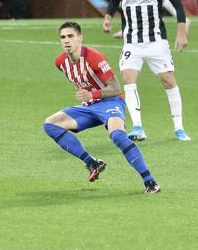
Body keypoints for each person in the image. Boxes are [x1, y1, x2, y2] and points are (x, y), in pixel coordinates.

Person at [43, 21, 161, 194]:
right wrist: (89, 98)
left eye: (70, 36)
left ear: (80, 38)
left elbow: (116, 89)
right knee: (50, 124)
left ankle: (150, 182)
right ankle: (92, 162)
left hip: (110, 102)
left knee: (118, 135)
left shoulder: (94, 57)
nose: (66, 40)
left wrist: (93, 95)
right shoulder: (60, 62)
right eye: (63, 37)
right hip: (89, 107)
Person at [103, 0, 191, 142]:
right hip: (132, 42)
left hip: (156, 41)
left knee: (168, 81)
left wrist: (181, 32)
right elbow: (114, 0)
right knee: (128, 79)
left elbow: (178, 5)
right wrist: (108, 18)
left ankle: (179, 127)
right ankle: (137, 127)